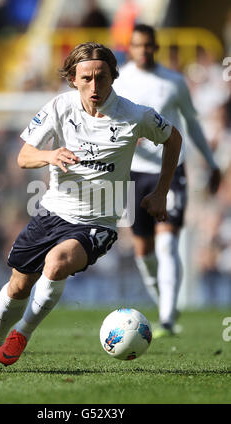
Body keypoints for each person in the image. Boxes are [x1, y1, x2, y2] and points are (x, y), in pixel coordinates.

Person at [0, 41, 182, 371]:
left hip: (98, 223)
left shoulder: (135, 115)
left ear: (112, 77)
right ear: (73, 79)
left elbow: (173, 138)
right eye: (87, 78)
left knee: (57, 261)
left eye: (102, 77)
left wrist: (162, 191)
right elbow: (23, 157)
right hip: (51, 213)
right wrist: (50, 154)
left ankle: (21, 335)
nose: (95, 86)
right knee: (18, 285)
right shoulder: (59, 107)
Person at [113, 24, 221, 337]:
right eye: (137, 45)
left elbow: (192, 124)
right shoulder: (120, 81)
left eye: (149, 45)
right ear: (130, 48)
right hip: (133, 174)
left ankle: (168, 319)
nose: (143, 50)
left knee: (167, 242)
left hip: (171, 170)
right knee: (143, 252)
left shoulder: (173, 82)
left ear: (155, 47)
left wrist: (212, 163)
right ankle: (165, 305)